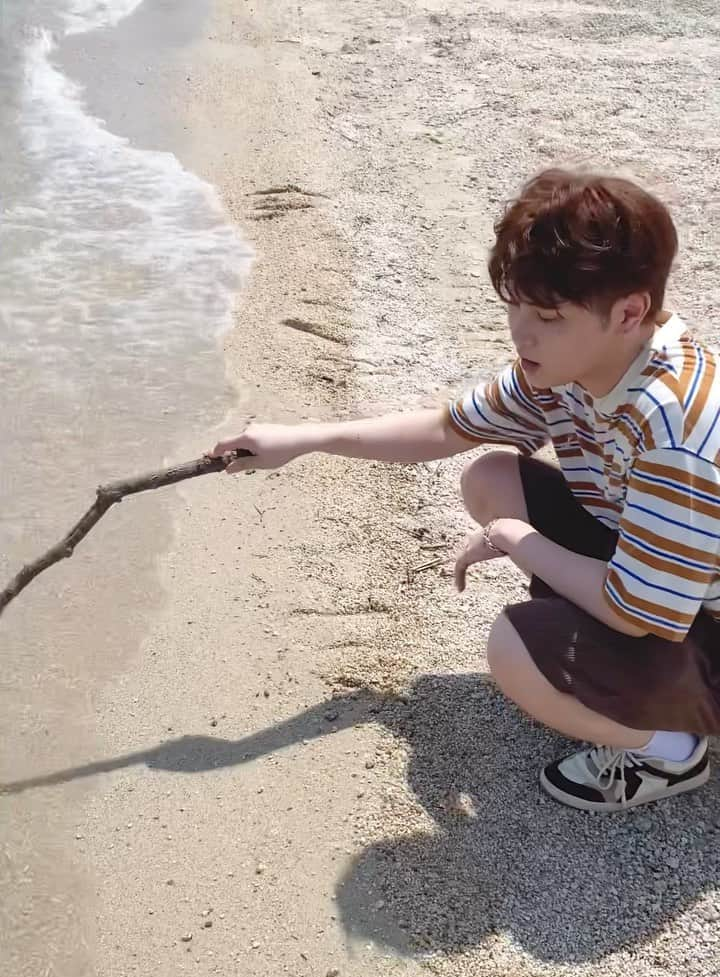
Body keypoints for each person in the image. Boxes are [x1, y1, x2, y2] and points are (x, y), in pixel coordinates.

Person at [210, 168, 720, 813]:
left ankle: (671, 752)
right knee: (491, 475)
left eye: (548, 317)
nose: (521, 334)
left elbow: (638, 610)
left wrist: (517, 539)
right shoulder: (570, 367)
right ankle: (610, 676)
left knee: (511, 649)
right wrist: (304, 439)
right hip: (668, 587)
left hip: (682, 615)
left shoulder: (675, 428)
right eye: (515, 307)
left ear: (629, 312)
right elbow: (447, 430)